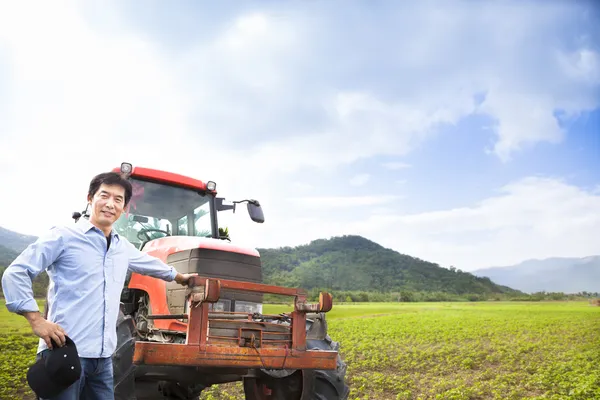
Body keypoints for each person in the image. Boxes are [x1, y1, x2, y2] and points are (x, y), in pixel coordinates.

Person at [1, 171, 195, 399]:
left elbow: (152, 264)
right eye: (105, 195)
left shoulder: (122, 247)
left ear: (124, 209)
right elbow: (16, 272)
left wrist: (180, 277)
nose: (110, 204)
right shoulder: (63, 236)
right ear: (90, 198)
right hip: (65, 352)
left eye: (118, 200)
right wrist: (36, 320)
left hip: (103, 361)